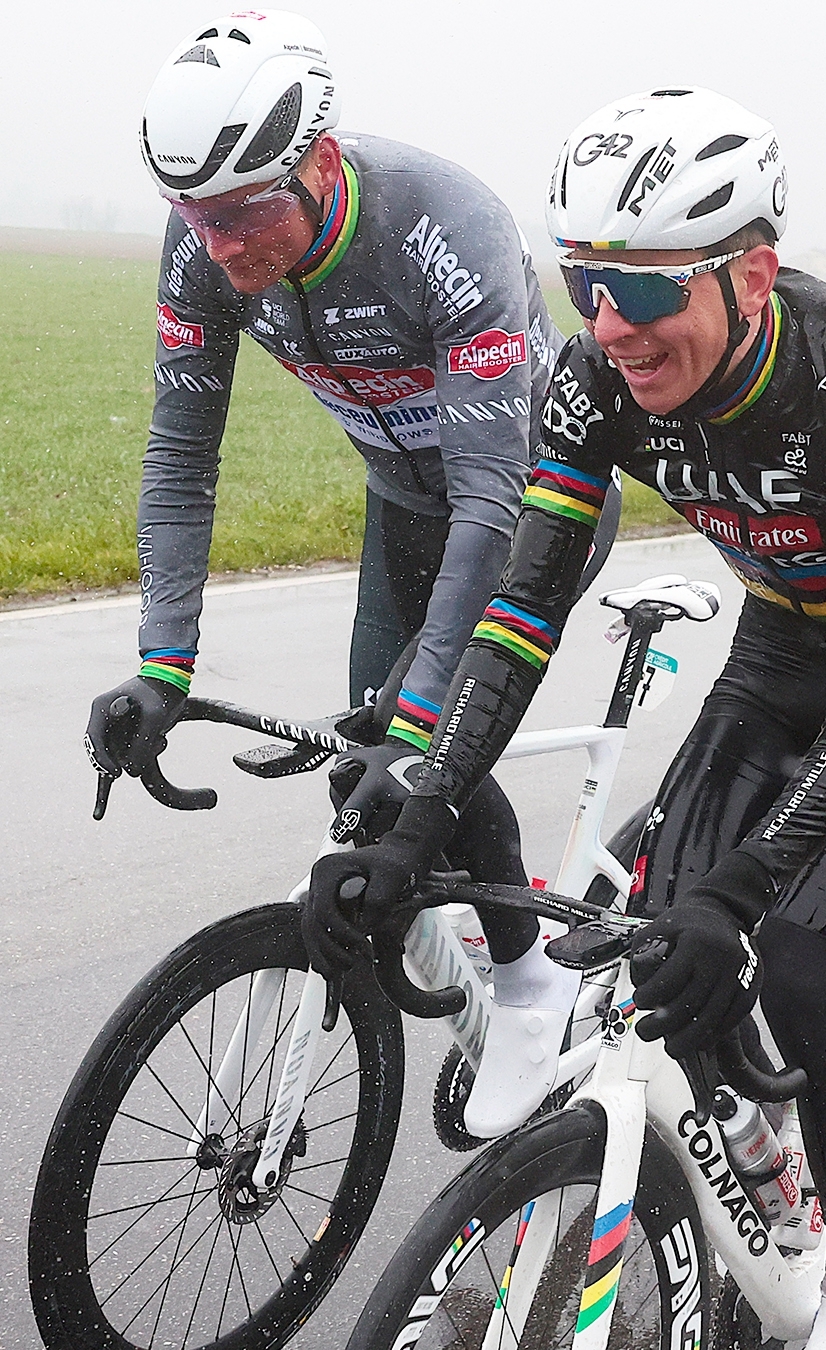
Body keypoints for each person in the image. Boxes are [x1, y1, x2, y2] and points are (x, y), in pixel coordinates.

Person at [304, 87, 826, 1348]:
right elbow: (522, 611)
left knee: (797, 962)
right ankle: (757, 1139)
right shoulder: (589, 380)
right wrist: (422, 807)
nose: (610, 326)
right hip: (787, 641)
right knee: (656, 940)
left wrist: (746, 887)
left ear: (752, 272)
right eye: (584, 284)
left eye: (643, 292)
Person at [82, 8, 595, 1135]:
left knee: (422, 749)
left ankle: (529, 984)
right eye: (193, 217)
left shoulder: (442, 223)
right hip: (403, 507)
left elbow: (490, 503)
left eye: (244, 214)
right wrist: (161, 663)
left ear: (318, 162)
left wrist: (419, 730)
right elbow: (179, 461)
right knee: (363, 764)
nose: (220, 248)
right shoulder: (205, 248)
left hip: (524, 508)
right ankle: (442, 943)